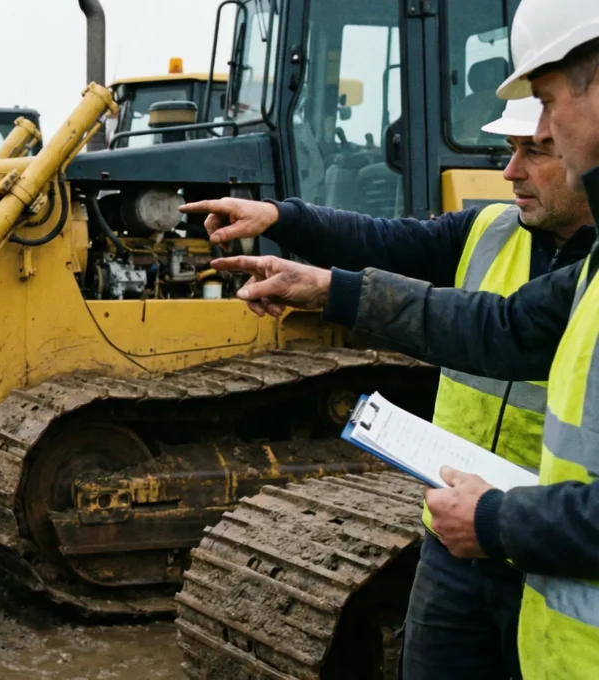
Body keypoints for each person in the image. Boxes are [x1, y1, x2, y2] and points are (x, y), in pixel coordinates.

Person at [209, 4, 599, 675]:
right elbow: (492, 324)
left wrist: (499, 522)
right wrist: (292, 232)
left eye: (543, 113)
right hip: (466, 527)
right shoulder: (508, 240)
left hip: (530, 541)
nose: (524, 156)